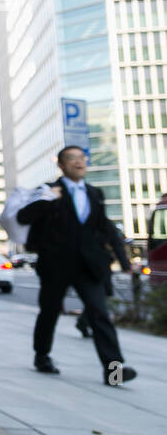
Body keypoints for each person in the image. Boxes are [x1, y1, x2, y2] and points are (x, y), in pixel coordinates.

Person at [17, 146, 137, 385]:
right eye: (72, 158)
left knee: (100, 314)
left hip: (89, 266)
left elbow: (106, 228)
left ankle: (114, 372)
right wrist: (48, 199)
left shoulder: (95, 193)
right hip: (55, 265)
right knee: (49, 312)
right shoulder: (48, 191)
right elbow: (23, 217)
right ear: (61, 165)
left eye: (82, 157)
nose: (79, 162)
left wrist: (125, 262)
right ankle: (42, 356)